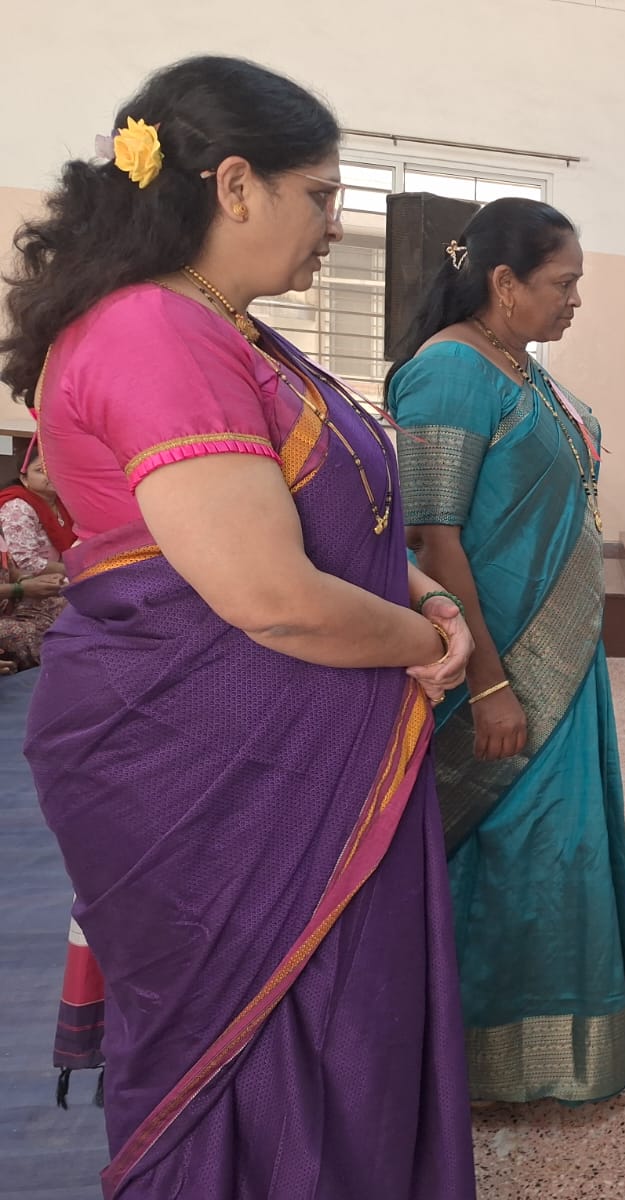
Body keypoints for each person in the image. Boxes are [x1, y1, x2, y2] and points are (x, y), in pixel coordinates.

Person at [0, 56, 478, 1198]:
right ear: (233, 185)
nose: (335, 225)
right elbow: (271, 596)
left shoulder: (225, 328)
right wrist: (433, 650)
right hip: (211, 760)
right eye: (320, 194)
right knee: (264, 1055)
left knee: (337, 1041)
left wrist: (422, 595)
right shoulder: (154, 333)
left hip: (288, 751)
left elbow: (336, 527)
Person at [387, 198, 625, 1103]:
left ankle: (568, 1036)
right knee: (516, 848)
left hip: (560, 652)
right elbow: (432, 538)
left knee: (564, 840)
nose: (576, 300)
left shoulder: (516, 365)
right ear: (504, 283)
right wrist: (489, 683)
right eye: (563, 283)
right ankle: (480, 1053)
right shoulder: (448, 373)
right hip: (503, 662)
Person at [0, 448, 72, 669]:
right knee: (32, 634)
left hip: (16, 597)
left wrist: (23, 581)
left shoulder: (65, 503)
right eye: (41, 470)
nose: (50, 475)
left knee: (78, 607)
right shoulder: (16, 507)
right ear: (24, 478)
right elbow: (26, 562)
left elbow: (10, 566)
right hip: (15, 601)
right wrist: (20, 589)